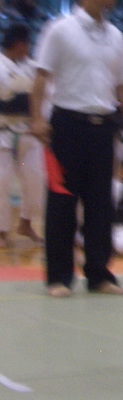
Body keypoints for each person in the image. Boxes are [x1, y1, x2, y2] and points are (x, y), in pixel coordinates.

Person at [29, 0, 123, 298]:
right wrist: (37, 119)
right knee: (63, 202)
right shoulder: (60, 30)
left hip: (102, 127)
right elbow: (40, 78)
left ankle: (99, 275)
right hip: (66, 125)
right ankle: (58, 278)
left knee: (100, 204)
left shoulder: (117, 37)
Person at [0, 24, 44, 248]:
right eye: (26, 44)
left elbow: (41, 96)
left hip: (28, 136)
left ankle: (26, 222)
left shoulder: (33, 66)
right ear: (19, 44)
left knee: (35, 179)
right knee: (2, 182)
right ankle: (2, 230)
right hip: (4, 137)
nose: (28, 48)